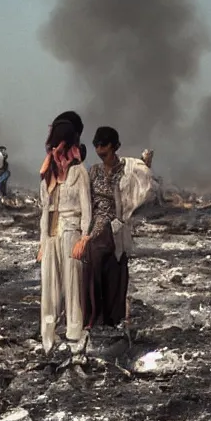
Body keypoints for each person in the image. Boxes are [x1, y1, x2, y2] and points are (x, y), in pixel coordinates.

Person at [38, 126, 91, 353]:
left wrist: (84, 238)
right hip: (51, 235)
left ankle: (74, 334)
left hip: (72, 233)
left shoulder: (79, 173)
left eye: (60, 147)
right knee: (48, 289)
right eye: (53, 147)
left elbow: (87, 208)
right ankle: (47, 339)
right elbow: (44, 210)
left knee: (73, 285)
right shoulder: (47, 176)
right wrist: (42, 243)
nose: (57, 152)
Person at [79, 126, 133, 332]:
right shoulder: (94, 171)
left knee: (116, 276)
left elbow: (137, 197)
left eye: (104, 145)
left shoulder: (126, 171)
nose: (100, 150)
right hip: (96, 231)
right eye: (97, 145)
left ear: (114, 146)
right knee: (92, 276)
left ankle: (113, 321)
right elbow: (88, 202)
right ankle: (94, 319)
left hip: (117, 230)